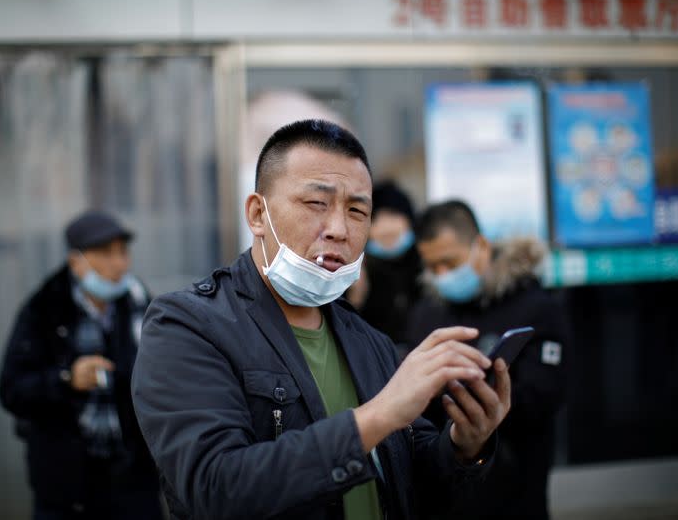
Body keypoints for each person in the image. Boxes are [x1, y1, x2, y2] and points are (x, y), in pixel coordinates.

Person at [131, 119, 512, 520]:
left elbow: (410, 481)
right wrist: (380, 414)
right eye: (316, 203)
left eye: (357, 210)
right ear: (258, 214)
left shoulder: (367, 339)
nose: (338, 229)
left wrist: (464, 446)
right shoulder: (187, 325)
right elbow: (215, 489)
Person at [408, 200, 570, 520]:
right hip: (444, 492)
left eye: (450, 262)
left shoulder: (536, 307)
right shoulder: (427, 313)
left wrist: (480, 393)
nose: (442, 275)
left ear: (480, 245)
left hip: (516, 487)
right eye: (433, 267)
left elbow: (546, 394)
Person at [0, 210, 163, 520]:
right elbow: (11, 390)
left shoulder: (141, 303)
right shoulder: (45, 310)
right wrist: (66, 380)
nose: (119, 264)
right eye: (105, 253)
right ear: (77, 262)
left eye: (122, 252)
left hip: (134, 478)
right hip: (66, 487)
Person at [346, 180, 422, 349]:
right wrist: (356, 298)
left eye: (394, 216)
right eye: (377, 219)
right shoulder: (352, 269)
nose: (386, 228)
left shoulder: (428, 264)